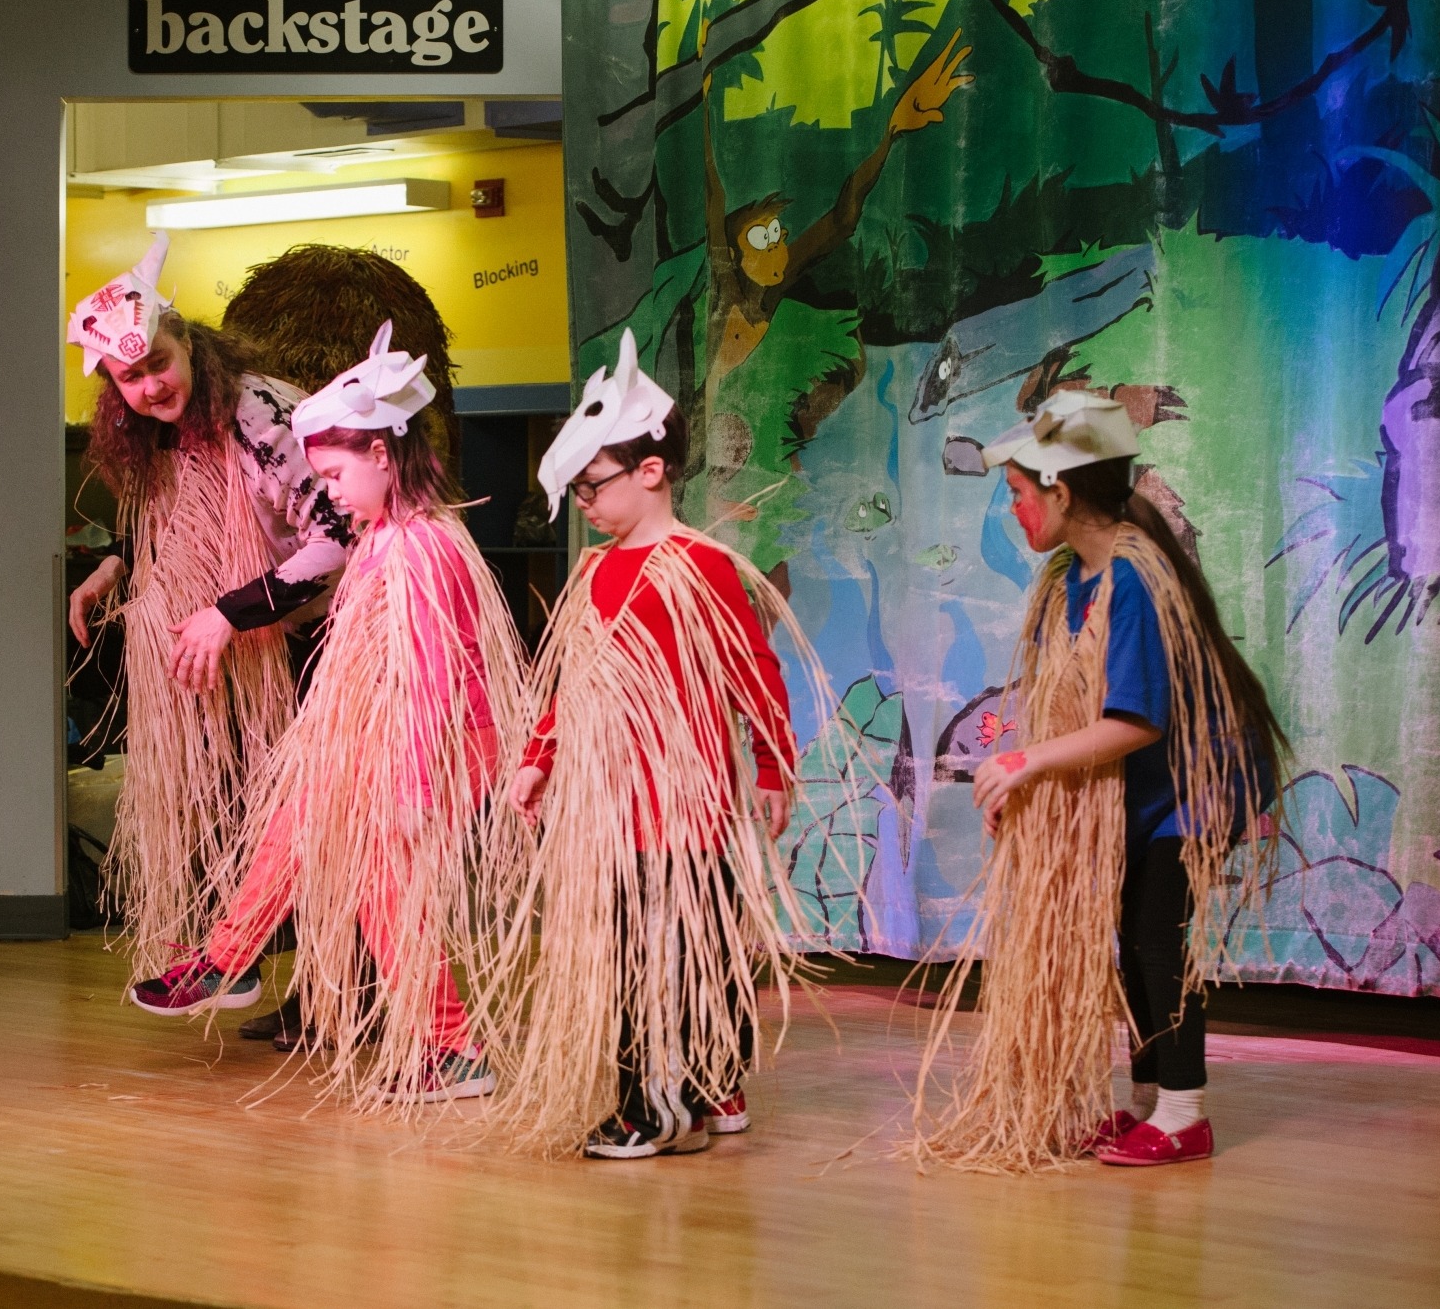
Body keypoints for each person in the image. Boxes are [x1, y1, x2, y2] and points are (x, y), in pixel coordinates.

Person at [129, 324, 530, 1107]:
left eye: (338, 474)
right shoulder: (386, 535)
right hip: (390, 733)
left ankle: (453, 1047)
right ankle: (228, 959)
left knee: (384, 879)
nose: (331, 494)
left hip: (441, 742)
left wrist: (412, 787)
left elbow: (431, 680)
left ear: (383, 455)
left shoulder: (421, 550)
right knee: (298, 817)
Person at [484, 330, 846, 1160]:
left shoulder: (702, 565)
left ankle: (663, 1102)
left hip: (687, 807)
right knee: (628, 955)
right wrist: (539, 757)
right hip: (612, 810)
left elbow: (754, 670)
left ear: (651, 472)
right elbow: (569, 680)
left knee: (695, 949)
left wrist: (769, 766)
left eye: (592, 484)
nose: (584, 500)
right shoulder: (590, 574)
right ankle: (679, 1086)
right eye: (575, 487)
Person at [913, 391, 1284, 1172]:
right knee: (1130, 930)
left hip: (1194, 782)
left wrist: (1028, 763)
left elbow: (1138, 722)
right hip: (1143, 789)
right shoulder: (1068, 580)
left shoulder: (1135, 577)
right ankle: (1152, 1101)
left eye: (1017, 493)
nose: (1013, 510)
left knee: (1156, 933)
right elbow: (1066, 705)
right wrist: (1024, 784)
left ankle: (1185, 1109)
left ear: (1062, 488)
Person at [64, 233, 352, 1006]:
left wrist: (227, 615)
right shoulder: (166, 429)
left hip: (339, 633)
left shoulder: (257, 411)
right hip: (269, 641)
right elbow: (180, 517)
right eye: (133, 376)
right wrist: (114, 564)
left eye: (160, 362)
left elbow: (340, 535)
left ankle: (322, 991)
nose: (152, 384)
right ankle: (282, 979)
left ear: (188, 341)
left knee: (322, 819)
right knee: (249, 802)